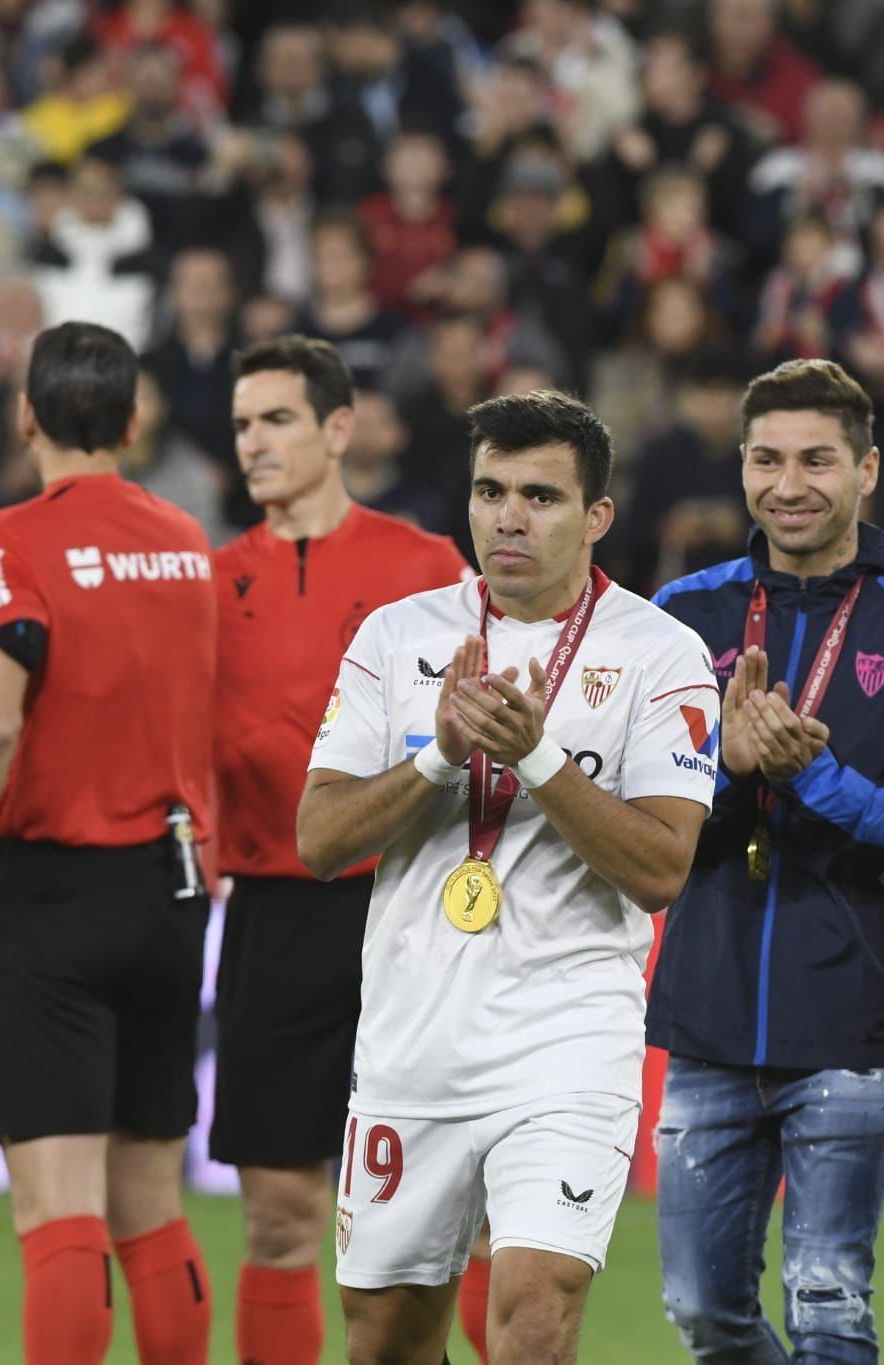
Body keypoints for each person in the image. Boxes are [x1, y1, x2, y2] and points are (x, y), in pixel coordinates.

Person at [295, 390, 718, 1364]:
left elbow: (661, 868)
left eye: (539, 495)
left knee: (533, 1315)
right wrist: (438, 757)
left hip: (566, 1044)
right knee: (383, 1342)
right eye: (490, 491)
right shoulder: (396, 638)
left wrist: (539, 760)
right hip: (413, 1044)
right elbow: (317, 839)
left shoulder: (660, 656)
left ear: (596, 516)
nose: (507, 517)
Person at [0, 322, 220, 1365]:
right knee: (151, 1206)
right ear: (130, 420)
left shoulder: (7, 540)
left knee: (59, 1213)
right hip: (168, 892)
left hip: (50, 897)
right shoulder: (185, 538)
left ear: (24, 415)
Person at [646, 358, 884, 1363]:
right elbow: (638, 815)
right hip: (707, 1013)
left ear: (867, 468)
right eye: (765, 460)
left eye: (815, 461)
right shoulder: (680, 613)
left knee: (828, 1301)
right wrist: (724, 766)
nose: (787, 484)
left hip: (852, 1015)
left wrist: (811, 777)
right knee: (702, 1313)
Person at [209, 336, 468, 1365]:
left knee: (457, 1216)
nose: (253, 444)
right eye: (239, 424)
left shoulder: (425, 569)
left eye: (275, 420)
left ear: (337, 430)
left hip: (408, 912)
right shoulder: (211, 579)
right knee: (276, 1216)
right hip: (272, 913)